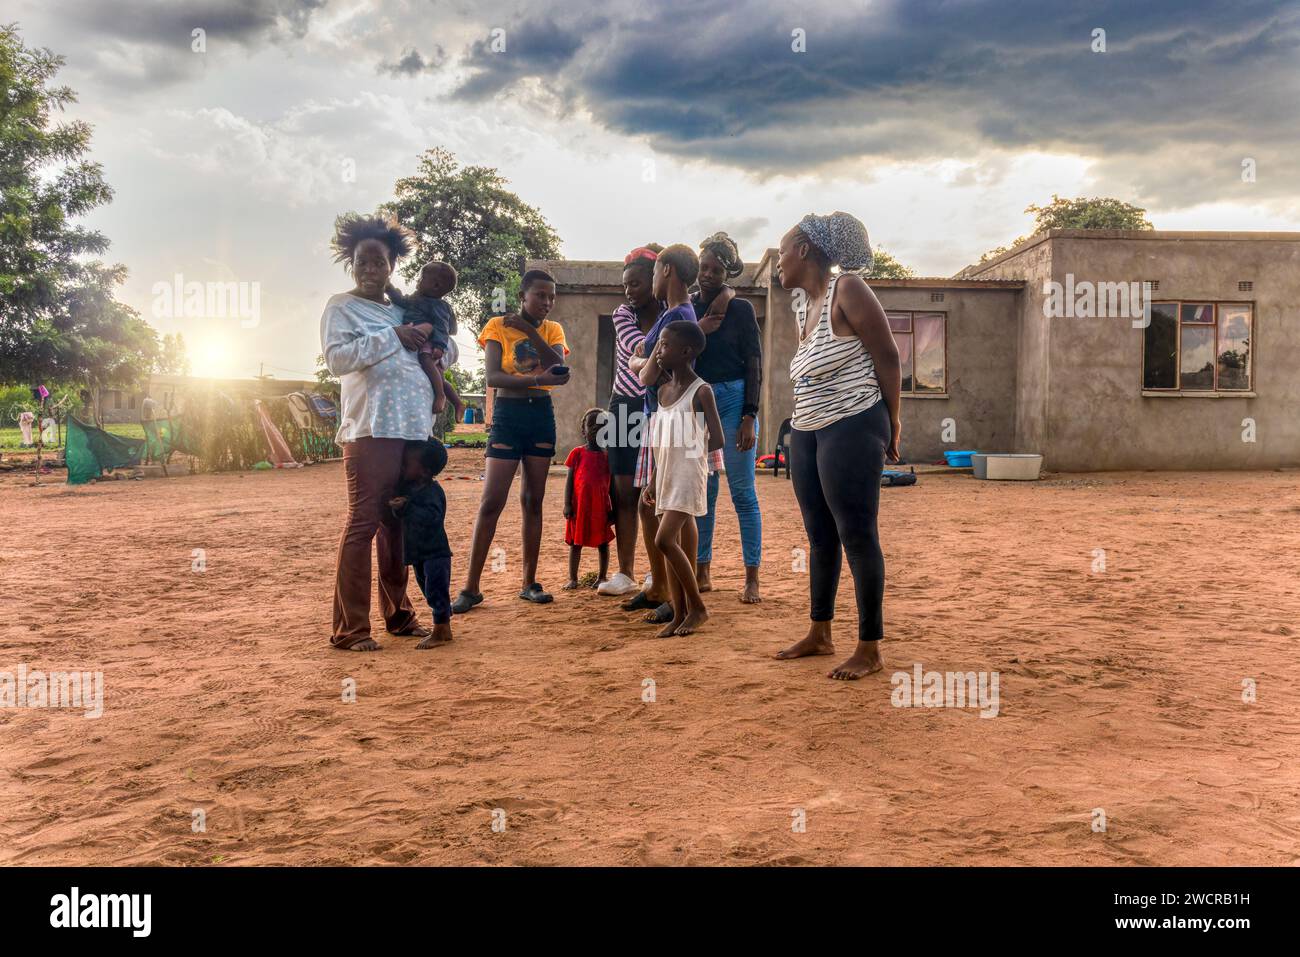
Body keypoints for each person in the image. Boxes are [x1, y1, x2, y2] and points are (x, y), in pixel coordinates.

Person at [772, 212, 902, 680]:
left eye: (783, 250)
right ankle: (820, 632)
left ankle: (869, 647)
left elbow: (888, 354)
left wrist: (893, 419)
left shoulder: (848, 289)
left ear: (804, 250)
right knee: (819, 535)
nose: (778, 262)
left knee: (857, 532)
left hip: (853, 423)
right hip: (807, 427)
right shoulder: (802, 306)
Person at [320, 212, 435, 651]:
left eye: (379, 262)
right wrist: (395, 335)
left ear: (392, 265)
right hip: (370, 430)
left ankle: (400, 617)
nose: (371, 270)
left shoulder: (403, 308)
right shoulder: (341, 307)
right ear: (351, 264)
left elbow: (434, 348)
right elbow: (338, 360)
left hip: (412, 431)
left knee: (397, 526)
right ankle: (351, 628)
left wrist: (428, 347)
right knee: (363, 523)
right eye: (362, 262)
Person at [452, 270, 571, 612]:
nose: (547, 302)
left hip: (540, 417)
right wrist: (537, 378)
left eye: (551, 297)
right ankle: (471, 586)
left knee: (533, 500)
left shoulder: (553, 330)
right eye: (540, 295)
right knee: (491, 501)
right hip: (507, 415)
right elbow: (493, 377)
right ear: (523, 295)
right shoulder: (496, 326)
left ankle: (529, 582)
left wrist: (529, 331)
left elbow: (559, 371)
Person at [626, 243, 707, 626]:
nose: (652, 280)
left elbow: (646, 373)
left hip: (672, 424)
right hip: (663, 420)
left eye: (655, 272)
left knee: (668, 512)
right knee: (659, 506)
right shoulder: (673, 315)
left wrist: (639, 360)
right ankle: (671, 593)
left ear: (668, 270)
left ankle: (682, 599)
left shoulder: (676, 317)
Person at [692, 232, 764, 603]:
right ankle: (702, 571)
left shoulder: (741, 310)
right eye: (703, 267)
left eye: (715, 270)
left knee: (743, 492)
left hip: (736, 400)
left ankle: (751, 578)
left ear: (726, 273)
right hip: (700, 402)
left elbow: (754, 363)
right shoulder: (689, 307)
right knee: (704, 491)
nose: (707, 274)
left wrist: (750, 415)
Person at [641, 320, 724, 636]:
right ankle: (678, 614)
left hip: (688, 474)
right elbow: (660, 443)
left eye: (664, 344)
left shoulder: (701, 391)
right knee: (671, 542)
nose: (658, 351)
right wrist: (652, 478)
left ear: (686, 351)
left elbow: (716, 438)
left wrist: (688, 446)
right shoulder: (662, 391)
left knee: (663, 540)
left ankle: (698, 607)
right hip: (666, 475)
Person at [597, 244, 662, 600]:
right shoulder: (623, 314)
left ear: (655, 280)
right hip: (624, 406)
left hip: (659, 408)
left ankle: (657, 571)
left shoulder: (670, 310)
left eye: (635, 284)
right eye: (626, 284)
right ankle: (625, 572)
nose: (628, 291)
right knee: (624, 491)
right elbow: (642, 348)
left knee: (656, 493)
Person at [388, 439, 453, 648]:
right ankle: (443, 618)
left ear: (424, 472)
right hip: (418, 553)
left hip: (435, 553)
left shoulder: (432, 492)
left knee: (435, 589)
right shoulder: (411, 488)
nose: (402, 467)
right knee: (429, 590)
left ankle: (442, 629)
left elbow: (432, 518)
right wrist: (398, 509)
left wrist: (406, 508)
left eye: (407, 464)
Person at [387, 261, 458, 415]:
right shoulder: (417, 298)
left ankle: (440, 396)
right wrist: (390, 289)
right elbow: (402, 301)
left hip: (430, 342)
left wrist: (439, 346)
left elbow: (441, 327)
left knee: (426, 361)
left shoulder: (439, 306)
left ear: (436, 286)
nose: (418, 282)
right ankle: (458, 403)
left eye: (422, 278)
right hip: (421, 338)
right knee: (437, 375)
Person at [563, 408, 615, 590]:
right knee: (575, 543)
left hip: (600, 509)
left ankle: (602, 576)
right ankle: (573, 578)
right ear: (583, 430)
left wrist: (613, 510)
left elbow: (612, 488)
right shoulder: (577, 454)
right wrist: (567, 504)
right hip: (579, 508)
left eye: (600, 425)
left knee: (603, 543)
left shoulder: (608, 458)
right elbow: (569, 481)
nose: (595, 429)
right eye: (591, 425)